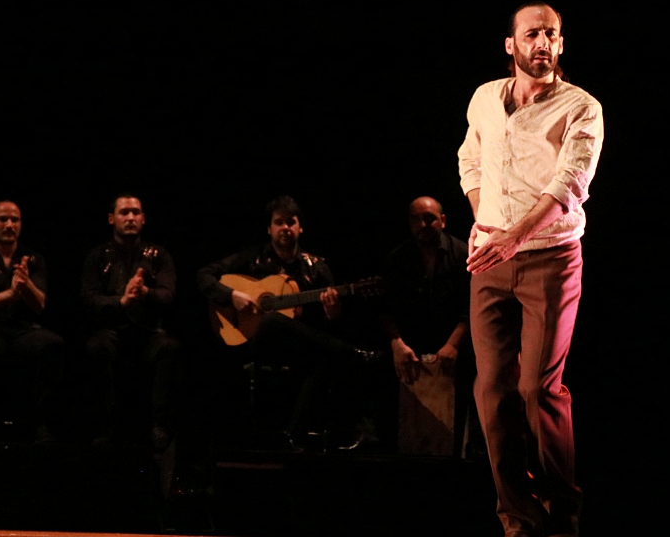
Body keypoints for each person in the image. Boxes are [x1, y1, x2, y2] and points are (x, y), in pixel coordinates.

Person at [458, 1, 604, 537]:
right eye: (533, 33)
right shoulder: (484, 99)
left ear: (560, 44)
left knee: (538, 389)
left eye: (552, 34)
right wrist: (486, 221)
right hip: (490, 256)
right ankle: (517, 515)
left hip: (550, 256)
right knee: (491, 390)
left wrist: (514, 237)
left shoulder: (582, 107)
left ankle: (563, 507)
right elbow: (469, 160)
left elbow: (570, 182)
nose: (543, 42)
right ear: (511, 44)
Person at [196, 196, 360, 449]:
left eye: (291, 222)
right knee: (271, 320)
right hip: (257, 342)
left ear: (300, 228)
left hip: (299, 346)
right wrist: (231, 296)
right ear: (269, 228)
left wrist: (332, 313)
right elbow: (204, 275)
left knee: (324, 357)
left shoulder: (317, 268)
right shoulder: (252, 259)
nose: (285, 227)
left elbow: (324, 328)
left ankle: (294, 434)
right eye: (279, 222)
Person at [0, 200, 65, 443]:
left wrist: (26, 284)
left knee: (53, 343)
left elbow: (40, 305)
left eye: (15, 220)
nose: (9, 224)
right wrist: (10, 294)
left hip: (24, 330)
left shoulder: (33, 259)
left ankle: (39, 423)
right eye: (2, 219)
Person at [82, 195, 179, 447]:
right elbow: (89, 298)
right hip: (112, 331)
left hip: (148, 332)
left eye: (136, 212)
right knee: (97, 346)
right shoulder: (97, 256)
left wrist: (145, 292)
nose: (130, 217)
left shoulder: (158, 254)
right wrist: (121, 302)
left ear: (143, 219)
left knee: (169, 347)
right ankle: (104, 426)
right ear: (111, 219)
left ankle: (160, 426)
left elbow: (168, 294)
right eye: (124, 212)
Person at [381, 196, 472, 456]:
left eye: (430, 217)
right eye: (416, 219)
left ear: (443, 221)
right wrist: (397, 344)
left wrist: (453, 345)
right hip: (410, 347)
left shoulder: (462, 254)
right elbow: (384, 310)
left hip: (454, 346)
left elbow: (471, 309)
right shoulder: (398, 259)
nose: (423, 223)